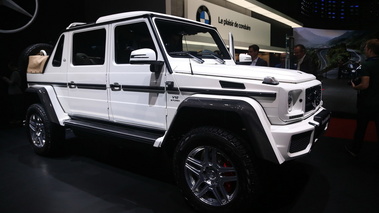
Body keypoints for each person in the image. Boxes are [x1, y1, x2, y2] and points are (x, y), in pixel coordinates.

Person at [345, 39, 379, 159]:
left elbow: (364, 85)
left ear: (370, 50)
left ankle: (355, 149)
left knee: (361, 128)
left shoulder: (366, 65)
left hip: (367, 103)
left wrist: (355, 87)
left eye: (365, 48)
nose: (364, 50)